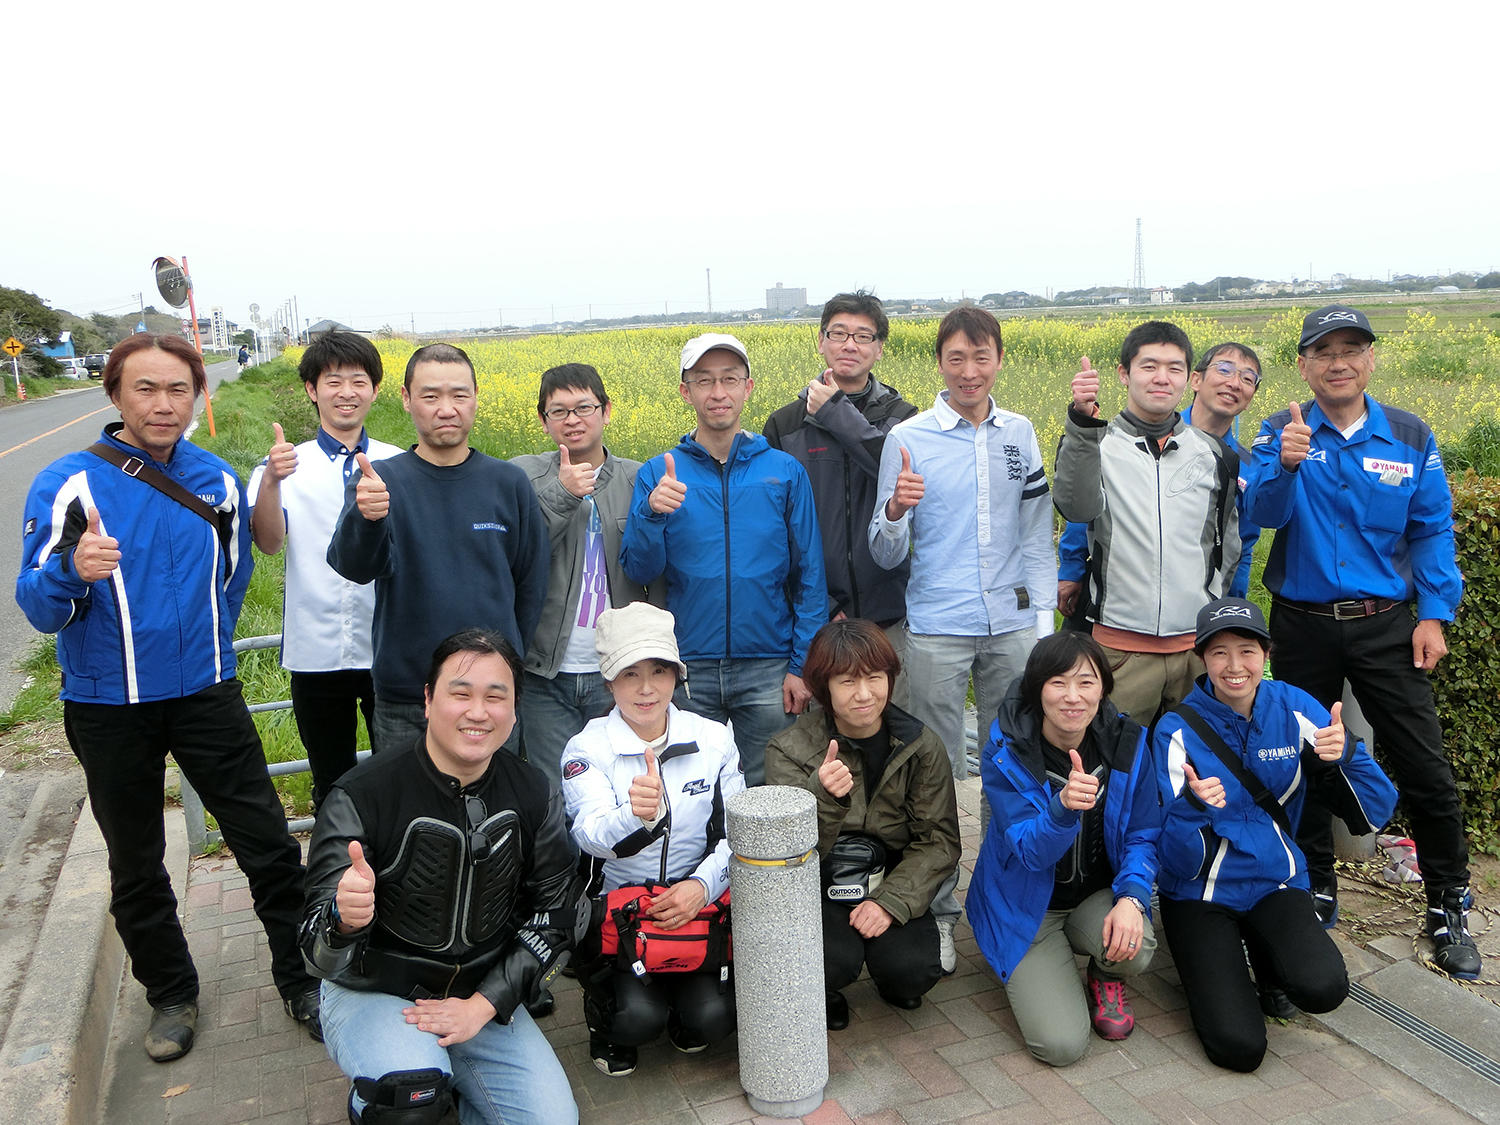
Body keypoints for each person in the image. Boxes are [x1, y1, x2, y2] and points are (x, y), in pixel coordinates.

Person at [16, 333, 321, 1062]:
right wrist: (71, 571)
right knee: (137, 860)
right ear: (115, 394)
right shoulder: (69, 483)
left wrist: (209, 648)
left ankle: (300, 975)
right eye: (145, 388)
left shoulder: (215, 480)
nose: (162, 403)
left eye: (177, 389)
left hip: (207, 695)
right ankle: (171, 993)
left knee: (268, 844)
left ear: (198, 395)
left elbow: (235, 577)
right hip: (107, 704)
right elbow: (36, 605)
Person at [1243, 304, 1479, 978]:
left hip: (1386, 624)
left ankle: (1445, 903)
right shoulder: (1279, 429)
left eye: (1352, 348)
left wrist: (1433, 612)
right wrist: (1283, 466)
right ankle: (1315, 882)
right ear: (1305, 364)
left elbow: (1432, 526)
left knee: (1423, 760)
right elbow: (1259, 515)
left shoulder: (1408, 434)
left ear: (1371, 358)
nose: (1339, 361)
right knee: (1304, 755)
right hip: (1303, 623)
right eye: (1324, 350)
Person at [301, 629, 581, 1124]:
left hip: (479, 992)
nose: (478, 712)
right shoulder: (361, 795)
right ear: (428, 700)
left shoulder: (535, 792)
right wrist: (341, 921)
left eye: (497, 697)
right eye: (461, 693)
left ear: (515, 711)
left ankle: (444, 1081)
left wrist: (483, 1004)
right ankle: (381, 1094)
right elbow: (314, 956)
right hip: (378, 991)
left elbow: (555, 920)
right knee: (411, 1103)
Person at [1152, 598, 1397, 1071]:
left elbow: (1377, 809)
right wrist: (1191, 808)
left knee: (1323, 988)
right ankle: (1215, 959)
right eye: (1219, 652)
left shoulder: (1295, 706)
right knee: (1239, 1049)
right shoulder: (1176, 730)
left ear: (1266, 653)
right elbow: (1174, 857)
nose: (1235, 666)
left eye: (1247, 650)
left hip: (1276, 881)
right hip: (1200, 893)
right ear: (1202, 658)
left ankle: (1267, 962)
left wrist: (1347, 751)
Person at [621, 333, 826, 786]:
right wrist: (652, 514)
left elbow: (811, 575)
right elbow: (639, 569)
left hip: (770, 665)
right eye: (704, 381)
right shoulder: (660, 472)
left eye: (729, 380)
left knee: (772, 788)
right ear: (685, 390)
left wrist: (801, 665)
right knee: (689, 789)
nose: (718, 393)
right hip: (688, 665)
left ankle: (769, 862)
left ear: (747, 387)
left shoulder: (784, 470)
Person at [328, 343, 549, 755]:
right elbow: (354, 567)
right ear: (407, 400)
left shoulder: (508, 482)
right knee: (405, 816)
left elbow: (531, 583)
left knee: (495, 813)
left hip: (491, 697)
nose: (446, 408)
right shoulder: (379, 480)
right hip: (407, 695)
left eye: (459, 395)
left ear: (476, 399)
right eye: (430, 396)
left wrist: (509, 665)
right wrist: (367, 517)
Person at [869, 305, 1056, 782]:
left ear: (998, 359)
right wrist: (895, 511)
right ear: (938, 362)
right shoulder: (907, 438)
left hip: (1011, 623)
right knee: (934, 763)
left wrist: (1043, 622)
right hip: (937, 624)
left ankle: (1001, 857)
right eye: (956, 359)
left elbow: (1035, 533)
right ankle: (943, 858)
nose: (969, 373)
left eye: (980, 357)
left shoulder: (1020, 432)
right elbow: (884, 552)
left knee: (1012, 757)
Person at [561, 602, 744, 1076]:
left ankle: (685, 1009)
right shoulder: (586, 747)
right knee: (635, 1020)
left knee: (713, 1019)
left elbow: (737, 834)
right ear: (608, 681)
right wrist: (635, 817)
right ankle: (609, 1020)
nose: (646, 688)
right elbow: (589, 835)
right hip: (619, 912)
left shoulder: (714, 738)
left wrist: (701, 888)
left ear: (677, 676)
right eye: (629, 673)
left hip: (694, 905)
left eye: (659, 671)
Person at [966, 631, 1160, 1066]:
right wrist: (1062, 810)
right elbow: (1031, 853)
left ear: (1103, 689)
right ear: (1037, 689)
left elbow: (1144, 834)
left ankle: (1104, 974)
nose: (1073, 697)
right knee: (1060, 1046)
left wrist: (1131, 897)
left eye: (1086, 682)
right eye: (1058, 682)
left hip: (1094, 896)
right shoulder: (1006, 751)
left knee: (1139, 943)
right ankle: (1041, 968)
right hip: (1027, 908)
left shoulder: (1128, 744)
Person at [765, 619, 959, 1030]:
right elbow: (784, 851)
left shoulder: (921, 745)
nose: (865, 694)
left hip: (890, 874)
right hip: (821, 877)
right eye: (848, 682)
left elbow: (939, 842)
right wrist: (824, 796)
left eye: (875, 678)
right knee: (829, 965)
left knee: (913, 972)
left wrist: (890, 902)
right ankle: (826, 990)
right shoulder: (790, 749)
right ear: (823, 687)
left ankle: (890, 974)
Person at [1053, 321, 1240, 726]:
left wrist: (1211, 613)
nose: (1161, 378)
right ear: (1124, 373)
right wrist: (1082, 424)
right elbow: (1076, 507)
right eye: (1148, 366)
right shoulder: (1096, 443)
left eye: (1174, 368)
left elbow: (1226, 546)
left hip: (1193, 650)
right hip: (1119, 650)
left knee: (1194, 769)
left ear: (1190, 379)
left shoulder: (1213, 454)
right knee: (1118, 769)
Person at [249, 331, 402, 806]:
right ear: (312, 390)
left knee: (398, 774)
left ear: (375, 390)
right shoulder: (284, 465)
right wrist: (272, 482)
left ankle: (392, 875)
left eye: (359, 381)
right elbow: (270, 544)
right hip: (314, 651)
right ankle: (334, 873)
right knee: (330, 780)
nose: (347, 392)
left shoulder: (400, 462)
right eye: (333, 381)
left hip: (389, 647)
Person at [511, 363, 662, 789]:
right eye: (558, 412)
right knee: (553, 791)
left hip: (619, 669)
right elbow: (515, 554)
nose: (573, 420)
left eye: (584, 407)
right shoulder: (521, 476)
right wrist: (561, 494)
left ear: (606, 411)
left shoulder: (639, 478)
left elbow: (657, 570)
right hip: (545, 672)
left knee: (621, 784)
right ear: (543, 422)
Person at [762, 292, 918, 696]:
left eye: (863, 336)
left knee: (892, 724)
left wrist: (834, 411)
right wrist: (825, 605)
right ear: (820, 340)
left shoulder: (903, 419)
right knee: (823, 734)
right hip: (817, 615)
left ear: (879, 349)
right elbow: (776, 528)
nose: (850, 344)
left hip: (890, 612)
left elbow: (893, 472)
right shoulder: (785, 424)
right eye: (839, 333)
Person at [1056, 341, 1263, 621]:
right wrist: (1071, 569)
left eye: (1248, 378)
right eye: (1224, 370)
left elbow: (1241, 544)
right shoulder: (1141, 432)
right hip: (1119, 609)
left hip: (1191, 616)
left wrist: (1230, 605)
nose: (1234, 383)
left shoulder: (1243, 465)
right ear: (1195, 379)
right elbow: (1088, 505)